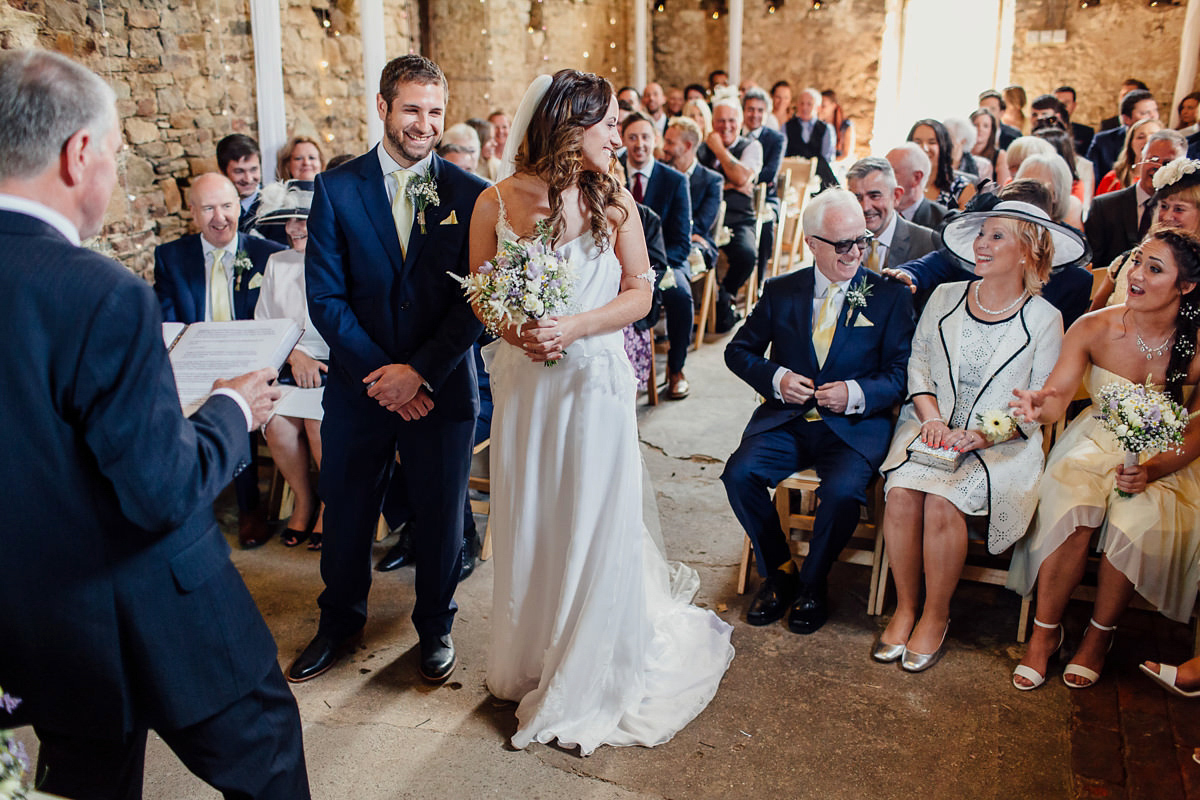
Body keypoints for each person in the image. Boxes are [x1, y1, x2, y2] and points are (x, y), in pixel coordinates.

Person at [0, 49, 308, 799]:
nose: (112, 172)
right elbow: (162, 488)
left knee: (80, 778)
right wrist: (232, 409)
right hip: (155, 601)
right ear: (78, 155)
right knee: (266, 752)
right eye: (112, 153)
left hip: (28, 615)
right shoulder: (99, 294)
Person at [471, 69, 734, 755]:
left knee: (591, 516)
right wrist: (516, 329)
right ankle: (533, 655)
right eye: (608, 123)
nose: (619, 134)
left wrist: (574, 326)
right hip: (527, 390)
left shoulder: (612, 196)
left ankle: (587, 665)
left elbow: (641, 293)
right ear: (569, 127)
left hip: (593, 384)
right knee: (533, 517)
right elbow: (481, 297)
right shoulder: (495, 201)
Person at [290, 54, 488, 685]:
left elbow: (477, 301)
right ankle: (339, 623)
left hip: (442, 388)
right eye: (411, 109)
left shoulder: (469, 194)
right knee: (347, 514)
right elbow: (325, 298)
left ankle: (436, 625)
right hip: (359, 388)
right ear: (382, 108)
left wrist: (420, 373)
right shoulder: (337, 189)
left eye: (434, 111)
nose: (424, 124)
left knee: (439, 517)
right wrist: (385, 375)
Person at [875, 201, 1080, 672]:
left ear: (1029, 251)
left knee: (943, 501)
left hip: (1001, 443)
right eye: (981, 235)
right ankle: (905, 607)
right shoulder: (945, 296)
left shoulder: (1045, 319)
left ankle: (935, 614)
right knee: (903, 493)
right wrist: (931, 419)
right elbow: (919, 364)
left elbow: (1040, 403)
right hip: (929, 424)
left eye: (997, 237)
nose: (982, 245)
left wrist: (983, 437)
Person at [1008, 227, 1200, 690]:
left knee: (1138, 518)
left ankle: (1099, 636)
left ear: (1186, 286)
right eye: (1137, 262)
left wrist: (1152, 470)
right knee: (1073, 504)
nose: (1135, 275)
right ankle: (1044, 632)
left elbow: (1198, 428)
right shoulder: (1094, 327)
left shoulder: (1196, 343)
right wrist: (1040, 405)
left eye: (1154, 269)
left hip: (1168, 455)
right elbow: (1057, 397)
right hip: (1093, 441)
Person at [722, 188, 914, 635]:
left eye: (861, 240)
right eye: (842, 243)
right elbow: (738, 351)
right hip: (787, 422)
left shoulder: (887, 295)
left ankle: (813, 582)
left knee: (844, 493)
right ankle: (780, 570)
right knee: (738, 474)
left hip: (853, 427)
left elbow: (901, 374)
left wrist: (855, 393)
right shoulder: (782, 291)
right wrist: (777, 379)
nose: (855, 252)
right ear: (812, 242)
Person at [154, 173, 287, 548]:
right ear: (193, 212)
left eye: (227, 206)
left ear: (238, 207)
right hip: (194, 361)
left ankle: (249, 507)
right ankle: (187, 503)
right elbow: (165, 320)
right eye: (209, 208)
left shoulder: (267, 254)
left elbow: (278, 320)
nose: (220, 217)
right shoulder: (171, 257)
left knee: (234, 393)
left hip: (250, 360)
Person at [253, 180, 329, 550]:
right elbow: (264, 323)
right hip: (286, 361)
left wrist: (314, 360)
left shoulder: (337, 259)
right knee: (277, 426)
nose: (295, 228)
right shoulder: (276, 262)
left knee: (318, 425)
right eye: (289, 221)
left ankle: (330, 505)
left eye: (303, 219)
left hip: (333, 366)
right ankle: (304, 499)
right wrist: (293, 355)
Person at [620, 111, 695, 399]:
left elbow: (681, 242)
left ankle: (676, 370)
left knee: (680, 296)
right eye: (633, 137)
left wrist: (648, 269)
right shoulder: (612, 173)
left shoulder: (675, 181)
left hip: (665, 263)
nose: (639, 143)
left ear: (656, 140)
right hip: (619, 266)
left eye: (645, 137)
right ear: (624, 141)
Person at [1087, 129, 1189, 291]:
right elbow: (1092, 265)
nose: (1158, 167)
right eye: (1152, 159)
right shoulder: (1104, 206)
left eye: (1167, 163)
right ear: (1140, 158)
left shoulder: (1184, 216)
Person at [697, 98, 764, 331]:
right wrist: (731, 182)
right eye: (720, 121)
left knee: (746, 255)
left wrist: (719, 150)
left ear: (740, 122)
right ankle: (707, 303)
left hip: (738, 217)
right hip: (705, 217)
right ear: (712, 123)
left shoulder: (751, 146)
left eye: (731, 120)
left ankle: (725, 295)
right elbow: (695, 182)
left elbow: (741, 178)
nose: (726, 126)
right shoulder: (700, 148)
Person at [845, 156, 936, 271]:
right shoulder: (838, 241)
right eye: (857, 198)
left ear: (896, 196)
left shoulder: (928, 243)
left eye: (875, 196)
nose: (865, 207)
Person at [662, 115, 724, 271]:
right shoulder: (661, 173)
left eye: (670, 142)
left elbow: (702, 223)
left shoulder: (712, 180)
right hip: (660, 240)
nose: (664, 147)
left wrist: (681, 235)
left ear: (688, 146)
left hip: (695, 242)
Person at [217, 132, 287, 245]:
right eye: (239, 171)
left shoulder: (278, 205)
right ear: (223, 172)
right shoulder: (217, 207)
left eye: (253, 169)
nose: (248, 179)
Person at [1087, 88, 1159, 181]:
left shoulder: (1165, 142)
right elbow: (1091, 179)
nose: (1153, 116)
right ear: (1126, 119)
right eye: (1145, 113)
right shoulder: (1103, 142)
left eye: (1155, 110)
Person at [908, 119, 976, 210]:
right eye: (917, 142)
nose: (924, 148)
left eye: (932, 142)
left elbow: (968, 222)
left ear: (944, 147)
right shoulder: (900, 182)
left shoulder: (962, 188)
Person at [783, 87, 838, 189]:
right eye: (802, 103)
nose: (805, 108)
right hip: (793, 177)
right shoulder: (786, 127)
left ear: (817, 107)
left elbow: (827, 158)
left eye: (809, 104)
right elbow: (783, 154)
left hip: (818, 177)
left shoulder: (826, 129)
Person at [1095, 117, 1162, 196]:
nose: (1147, 141)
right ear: (1131, 144)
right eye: (1140, 137)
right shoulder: (1112, 179)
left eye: (1154, 137)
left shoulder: (1171, 178)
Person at [887, 143, 948, 230]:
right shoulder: (873, 214)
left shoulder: (944, 223)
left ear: (916, 178)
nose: (882, 179)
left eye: (891, 173)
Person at [970, 107, 1010, 184]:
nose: (980, 129)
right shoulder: (963, 153)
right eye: (975, 125)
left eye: (985, 126)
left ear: (991, 131)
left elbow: (1003, 190)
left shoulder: (1000, 156)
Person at [1054, 85, 1095, 158]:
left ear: (1074, 105)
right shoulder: (1042, 131)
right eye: (1058, 103)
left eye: (1066, 103)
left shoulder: (1086, 133)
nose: (1062, 107)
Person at [820, 89, 855, 162]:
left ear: (833, 106)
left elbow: (846, 155)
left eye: (823, 106)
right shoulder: (819, 125)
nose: (820, 109)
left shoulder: (846, 126)